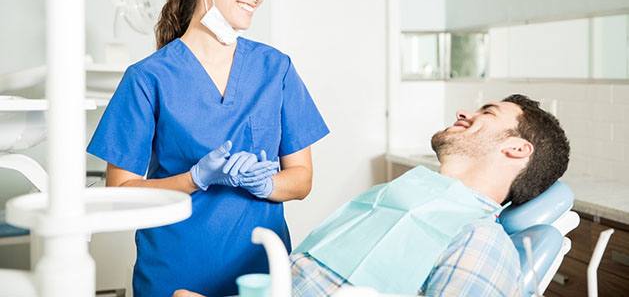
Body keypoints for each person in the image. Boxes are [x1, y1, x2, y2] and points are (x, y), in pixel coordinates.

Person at [87, 0, 329, 297]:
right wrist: (195, 178)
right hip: (174, 276)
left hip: (259, 273)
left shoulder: (274, 69)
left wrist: (266, 183)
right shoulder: (148, 78)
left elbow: (302, 179)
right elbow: (120, 192)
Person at [173, 94, 569, 297]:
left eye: (488, 112)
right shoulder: (393, 199)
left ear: (517, 149)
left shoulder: (480, 241)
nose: (466, 112)